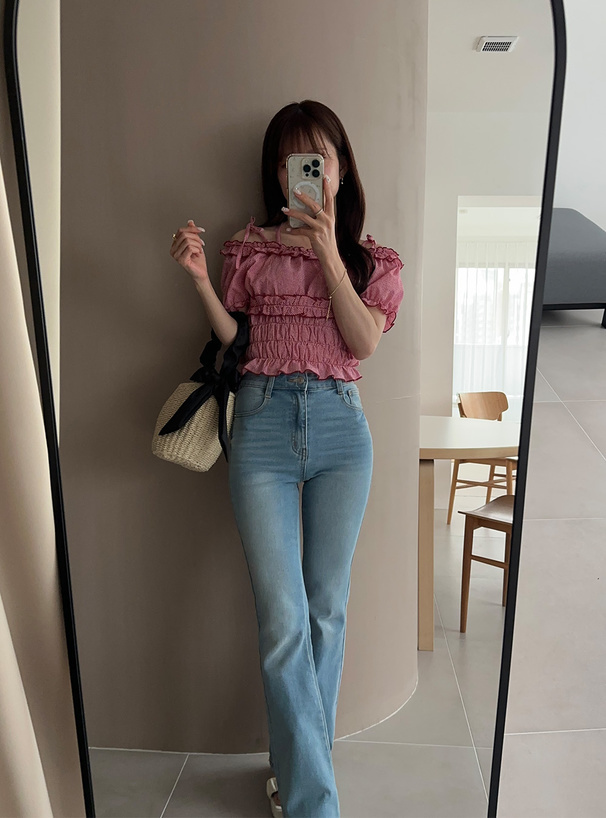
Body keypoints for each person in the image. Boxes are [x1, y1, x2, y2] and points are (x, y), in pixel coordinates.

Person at [170, 100, 404, 818]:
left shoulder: (370, 259)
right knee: (283, 622)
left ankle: (299, 781)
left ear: (340, 168)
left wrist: (328, 248)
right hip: (263, 426)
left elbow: (363, 343)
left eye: (317, 158)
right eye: (289, 161)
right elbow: (236, 340)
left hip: (341, 428)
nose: (303, 172)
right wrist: (200, 279)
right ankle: (313, 800)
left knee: (327, 611)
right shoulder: (249, 249)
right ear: (276, 173)